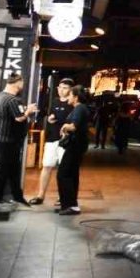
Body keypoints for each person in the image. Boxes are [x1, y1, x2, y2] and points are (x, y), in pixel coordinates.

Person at [0, 74, 38, 209]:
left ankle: (17, 196)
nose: (22, 85)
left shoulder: (2, 96)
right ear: (17, 83)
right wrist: (28, 111)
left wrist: (25, 109)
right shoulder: (12, 99)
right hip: (7, 140)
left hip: (3, 140)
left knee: (13, 170)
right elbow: (19, 118)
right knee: (4, 169)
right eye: (21, 82)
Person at [26, 78, 73, 205]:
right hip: (51, 139)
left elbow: (71, 121)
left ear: (70, 90)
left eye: (65, 88)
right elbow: (51, 116)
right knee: (46, 166)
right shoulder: (54, 101)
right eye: (60, 87)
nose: (61, 90)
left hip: (66, 141)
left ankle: (62, 197)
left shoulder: (72, 103)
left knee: (63, 170)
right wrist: (50, 118)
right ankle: (40, 195)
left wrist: (58, 119)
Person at [56, 85, 92, 215]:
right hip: (78, 145)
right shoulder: (80, 108)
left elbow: (74, 126)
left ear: (76, 97)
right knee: (71, 174)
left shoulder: (79, 108)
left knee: (63, 174)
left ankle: (69, 204)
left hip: (75, 145)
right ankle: (71, 205)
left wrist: (65, 126)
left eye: (70, 95)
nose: (68, 97)